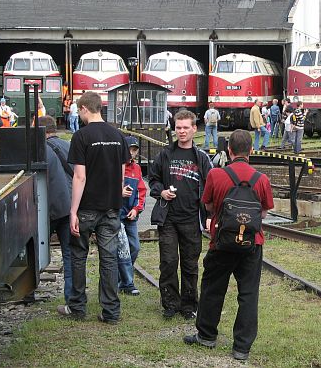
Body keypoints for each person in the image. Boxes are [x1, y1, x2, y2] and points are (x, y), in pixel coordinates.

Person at [184, 129, 274, 361]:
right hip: (252, 244)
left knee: (213, 287)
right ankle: (241, 348)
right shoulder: (261, 179)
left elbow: (210, 207)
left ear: (229, 150)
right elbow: (263, 213)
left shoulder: (216, 175)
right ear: (251, 151)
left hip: (221, 242)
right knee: (248, 293)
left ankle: (206, 335)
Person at [58, 91, 130, 325]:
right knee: (108, 259)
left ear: (85, 109)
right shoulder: (118, 136)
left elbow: (80, 177)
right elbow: (121, 175)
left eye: (79, 110)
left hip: (87, 207)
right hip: (111, 207)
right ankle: (111, 312)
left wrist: (73, 211)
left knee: (78, 255)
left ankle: (77, 307)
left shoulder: (81, 136)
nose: (79, 114)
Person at [148, 109, 213, 319]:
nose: (182, 131)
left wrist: (210, 215)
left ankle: (189, 305)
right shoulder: (165, 154)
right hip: (168, 219)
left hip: (191, 220)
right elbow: (153, 179)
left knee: (190, 264)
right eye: (178, 128)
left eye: (186, 128)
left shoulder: (201, 158)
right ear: (174, 129)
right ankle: (170, 303)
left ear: (194, 129)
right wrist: (161, 192)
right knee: (167, 262)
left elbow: (211, 187)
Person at [39, 115, 73, 304]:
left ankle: (28, 290)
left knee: (35, 251)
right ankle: (72, 299)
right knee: (70, 254)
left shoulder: (39, 149)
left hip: (48, 209)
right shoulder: (68, 146)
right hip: (69, 207)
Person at [117, 136, 147, 296]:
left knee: (134, 248)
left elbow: (142, 191)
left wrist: (136, 209)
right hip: (115, 215)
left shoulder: (137, 169)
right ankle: (126, 283)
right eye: (130, 149)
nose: (132, 153)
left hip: (130, 216)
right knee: (121, 250)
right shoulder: (115, 166)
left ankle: (122, 280)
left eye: (135, 150)